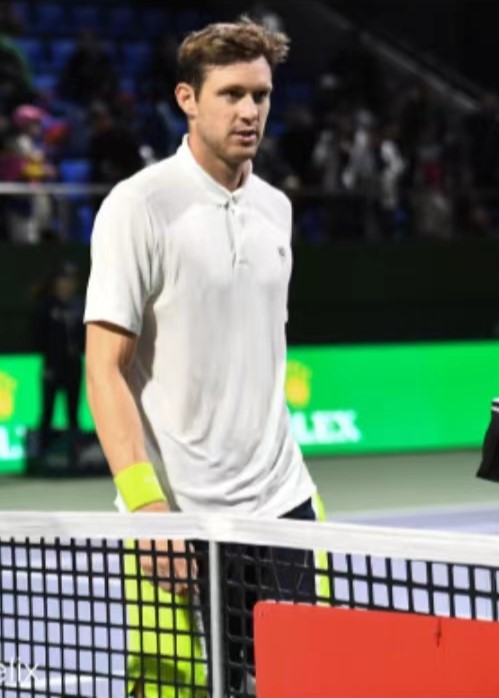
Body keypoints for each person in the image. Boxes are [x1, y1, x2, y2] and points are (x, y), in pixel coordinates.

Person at [82, 19, 323, 697]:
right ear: (188, 99)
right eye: (231, 95)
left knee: (298, 684)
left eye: (261, 95)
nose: (249, 112)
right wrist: (147, 507)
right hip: (178, 518)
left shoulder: (276, 209)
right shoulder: (139, 206)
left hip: (284, 508)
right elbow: (104, 368)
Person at [32, 262, 86, 461]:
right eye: (64, 280)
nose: (68, 284)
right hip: (53, 366)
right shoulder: (46, 306)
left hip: (74, 366)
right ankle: (41, 457)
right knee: (47, 411)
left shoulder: (80, 305)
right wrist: (50, 360)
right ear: (56, 282)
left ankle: (75, 458)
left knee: (73, 412)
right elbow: (38, 337)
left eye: (72, 280)